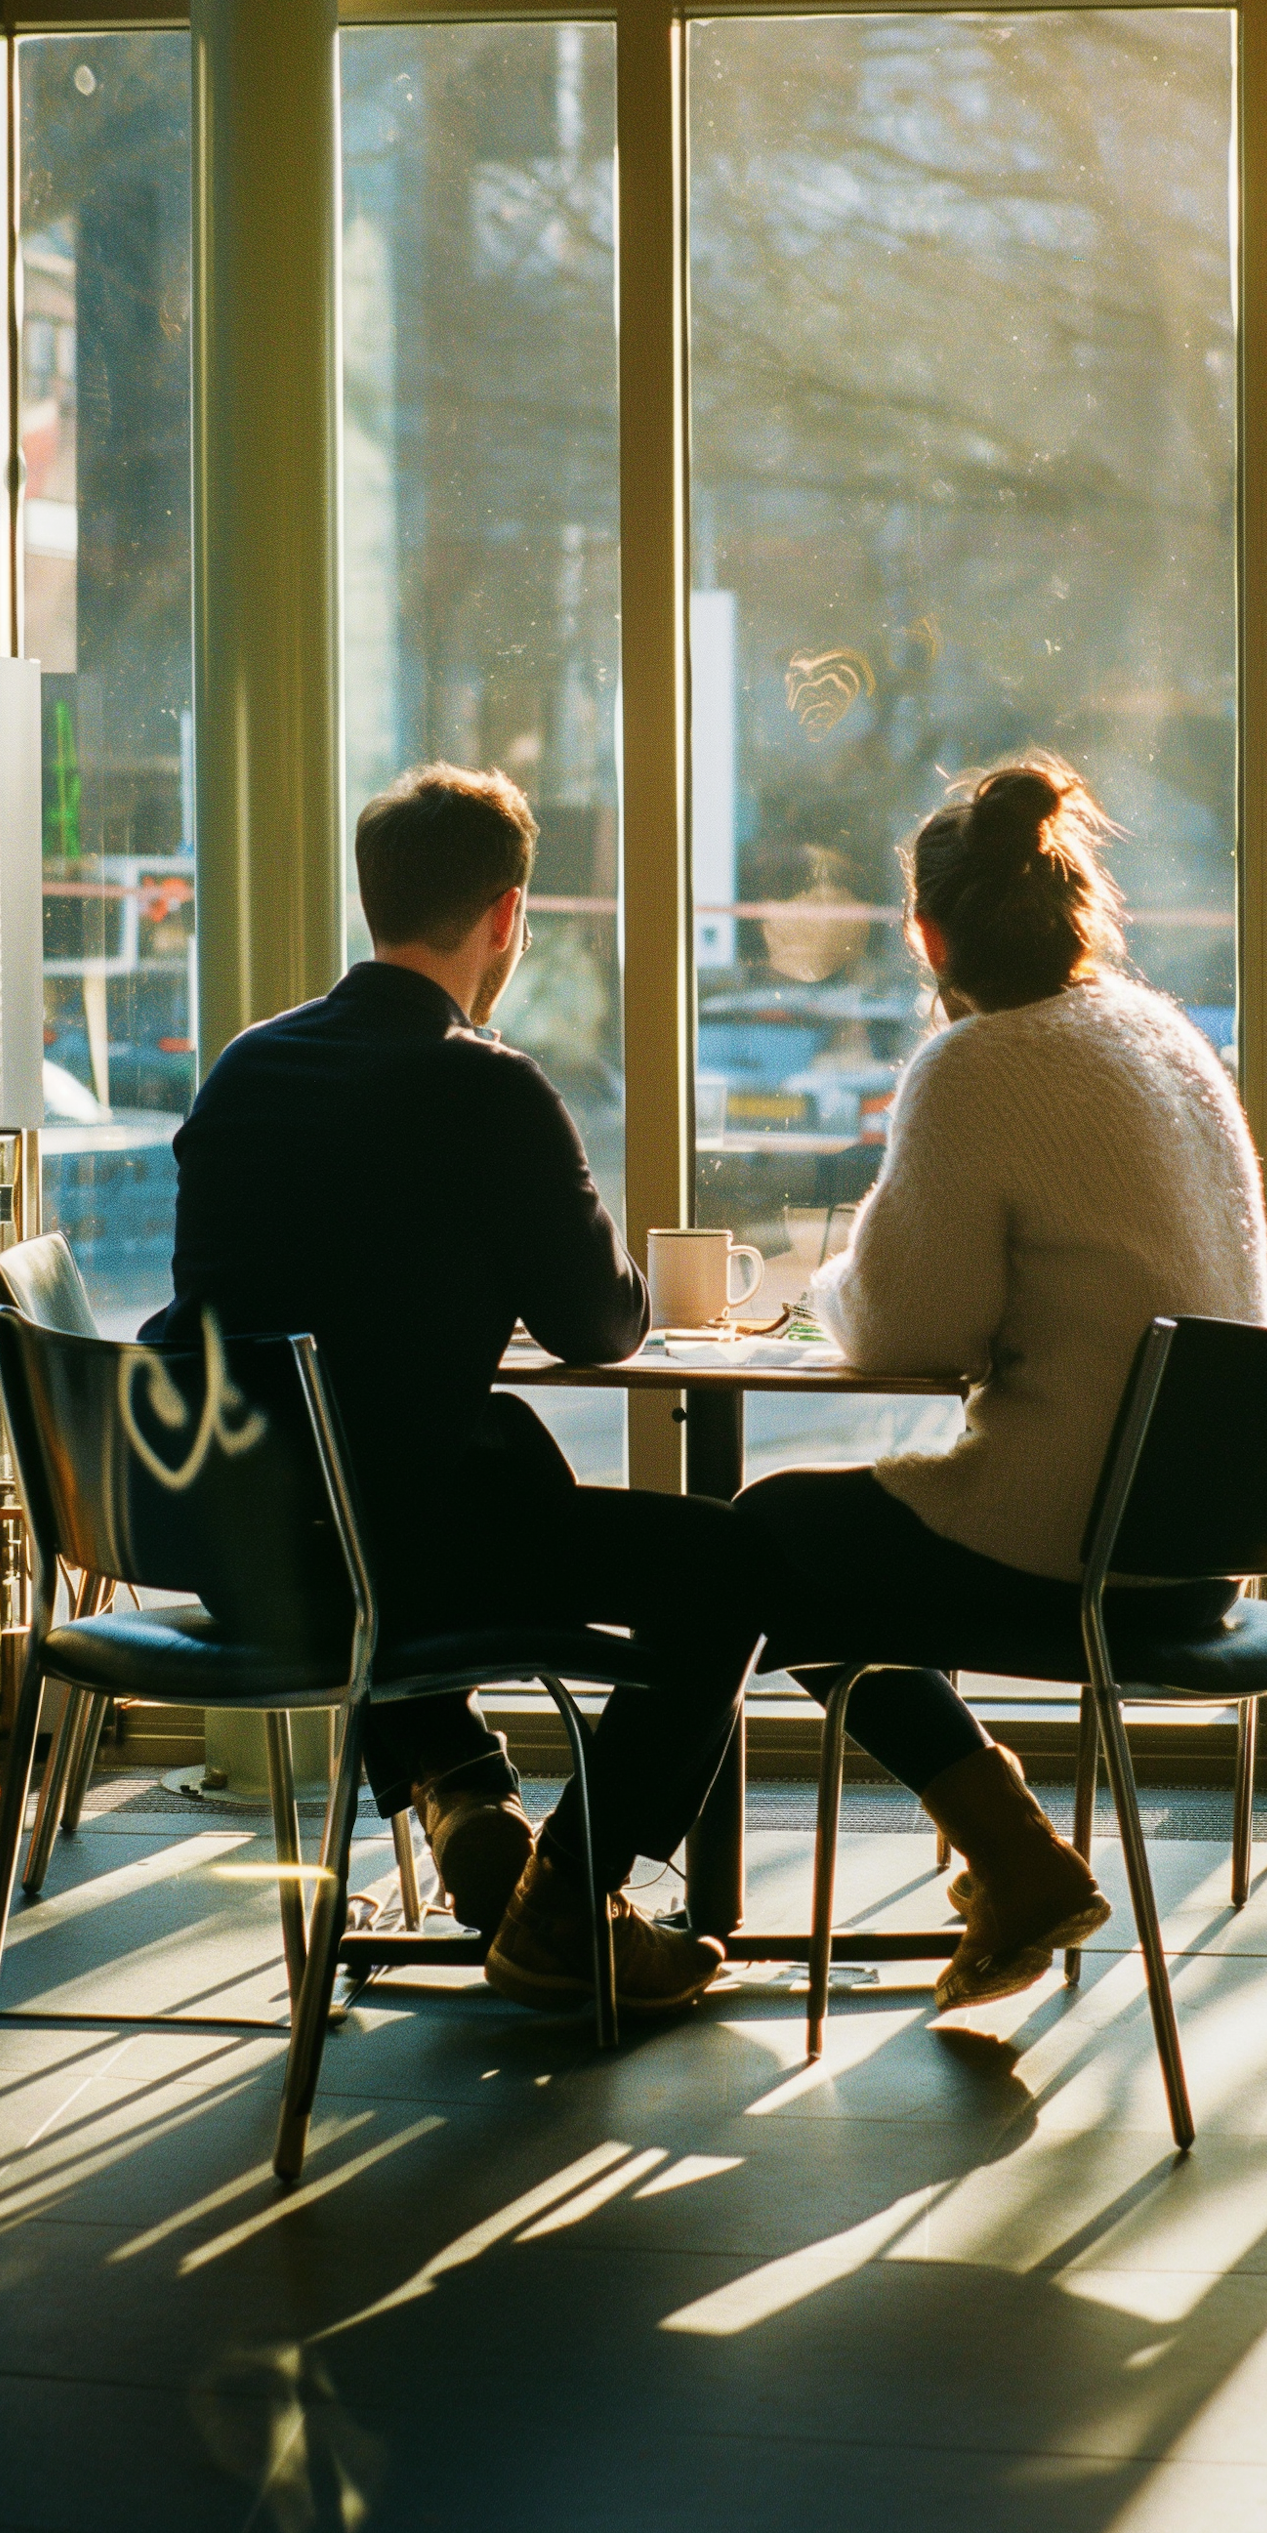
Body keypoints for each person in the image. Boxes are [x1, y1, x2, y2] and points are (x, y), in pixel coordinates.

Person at [143, 762, 763, 2017]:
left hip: (232, 1533)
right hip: (388, 1552)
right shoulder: (487, 1085)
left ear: (371, 901)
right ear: (507, 916)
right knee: (731, 1567)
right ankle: (569, 1902)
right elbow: (598, 1327)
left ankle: (463, 1786)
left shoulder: (246, 1069)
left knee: (410, 1478)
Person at [736, 757, 1267, 2011]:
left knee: (771, 1536)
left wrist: (823, 1287)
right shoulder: (1163, 1035)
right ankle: (1010, 1851)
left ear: (927, 933)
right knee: (817, 1550)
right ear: (1076, 898)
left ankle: (1015, 1851)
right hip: (1213, 1536)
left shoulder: (975, 1068)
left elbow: (907, 1327)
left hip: (1079, 1536)